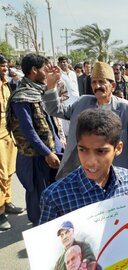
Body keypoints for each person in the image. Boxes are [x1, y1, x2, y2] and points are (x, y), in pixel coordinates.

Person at [39, 109, 128, 252]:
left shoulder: (127, 180)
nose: (90, 161)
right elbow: (46, 251)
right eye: (83, 150)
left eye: (100, 151)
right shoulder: (55, 196)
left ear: (118, 148)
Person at [41, 62, 128, 187]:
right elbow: (55, 110)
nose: (97, 86)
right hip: (84, 172)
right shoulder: (82, 103)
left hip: (114, 175)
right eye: (94, 82)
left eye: (101, 82)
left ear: (113, 86)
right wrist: (51, 85)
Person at [6, 53, 63, 225]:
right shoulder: (21, 97)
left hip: (51, 153)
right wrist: (47, 153)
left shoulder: (40, 91)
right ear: (33, 70)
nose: (46, 73)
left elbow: (51, 119)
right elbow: (29, 131)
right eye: (44, 70)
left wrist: (59, 142)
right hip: (35, 157)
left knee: (54, 194)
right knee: (38, 197)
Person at [0, 54, 24, 231]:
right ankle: (0, 212)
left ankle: (7, 202)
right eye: (1, 66)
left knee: (9, 172)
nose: (5, 68)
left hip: (9, 133)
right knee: (1, 174)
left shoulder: (7, 84)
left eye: (6, 66)